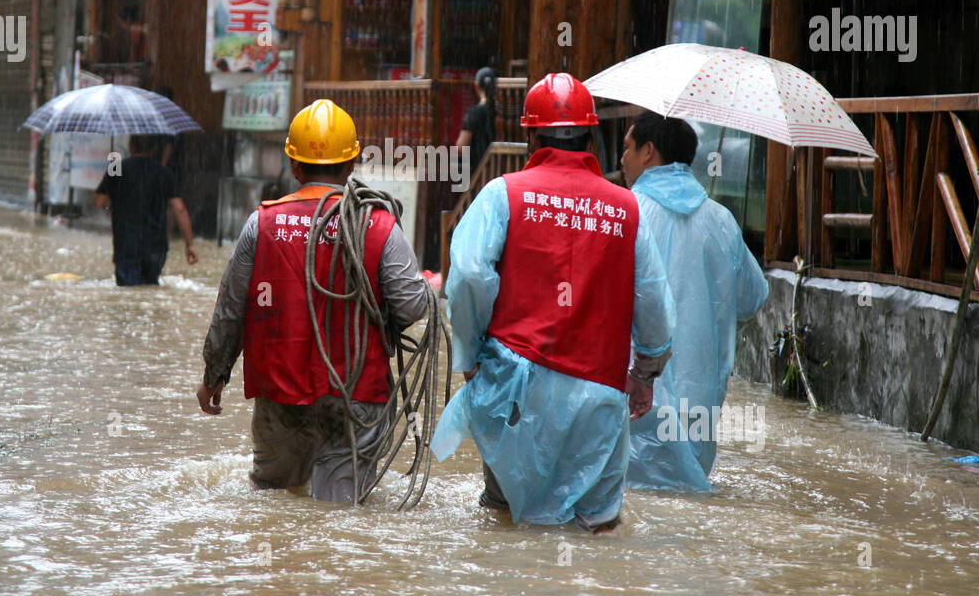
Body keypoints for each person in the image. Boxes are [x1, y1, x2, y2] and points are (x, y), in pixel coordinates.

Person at [431, 73, 676, 532]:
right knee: (596, 531)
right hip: (599, 398)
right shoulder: (629, 208)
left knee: (504, 525)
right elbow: (656, 306)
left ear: (530, 135)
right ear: (591, 136)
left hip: (514, 395)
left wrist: (470, 356)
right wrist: (644, 375)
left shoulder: (503, 194)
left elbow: (466, 275)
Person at [196, 99, 428, 503]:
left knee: (272, 501)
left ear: (294, 166)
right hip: (358, 394)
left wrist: (215, 374)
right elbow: (410, 307)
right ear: (353, 163)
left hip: (281, 393)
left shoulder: (262, 224)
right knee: (339, 515)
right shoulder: (380, 224)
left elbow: (232, 308)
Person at [620, 110, 769, 492]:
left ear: (648, 152)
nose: (622, 159)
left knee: (630, 511)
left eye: (627, 148)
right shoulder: (721, 219)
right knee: (688, 506)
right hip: (700, 402)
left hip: (635, 394)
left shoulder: (626, 213)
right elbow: (753, 298)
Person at [94, 135, 198, 285]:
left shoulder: (116, 169)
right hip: (156, 247)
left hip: (126, 245)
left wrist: (113, 195)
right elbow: (180, 209)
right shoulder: (164, 173)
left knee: (128, 295)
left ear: (130, 146)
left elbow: (99, 202)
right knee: (149, 289)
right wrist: (190, 245)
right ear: (155, 148)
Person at [455, 66, 497, 176]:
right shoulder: (503, 112)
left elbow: (461, 146)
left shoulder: (475, 112)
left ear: (477, 86)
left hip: (478, 169)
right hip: (498, 169)